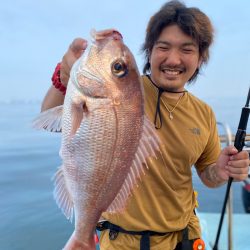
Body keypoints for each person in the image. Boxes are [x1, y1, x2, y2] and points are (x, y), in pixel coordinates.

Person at [41, 1, 249, 249]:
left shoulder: (203, 113)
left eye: (187, 49)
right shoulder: (126, 93)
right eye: (163, 47)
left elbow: (208, 176)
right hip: (121, 242)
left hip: (183, 239)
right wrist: (63, 77)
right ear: (149, 50)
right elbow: (48, 119)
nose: (173, 59)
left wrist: (221, 171)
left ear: (200, 57)